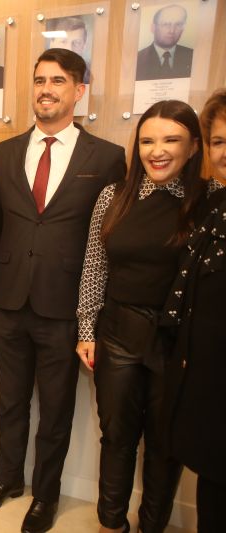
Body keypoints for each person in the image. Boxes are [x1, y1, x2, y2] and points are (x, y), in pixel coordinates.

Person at [0, 48, 126, 533]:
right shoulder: (4, 152)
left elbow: (109, 241)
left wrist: (94, 315)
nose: (46, 89)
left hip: (65, 308)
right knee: (10, 401)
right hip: (8, 300)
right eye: (40, 80)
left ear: (79, 91)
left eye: (58, 81)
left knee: (57, 409)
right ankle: (7, 480)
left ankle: (45, 495)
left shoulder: (107, 157)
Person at [76, 99, 209, 533]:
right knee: (116, 436)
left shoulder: (209, 200)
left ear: (193, 147)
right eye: (148, 141)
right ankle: (111, 524)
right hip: (118, 335)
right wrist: (86, 329)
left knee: (165, 445)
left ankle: (153, 526)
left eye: (171, 140)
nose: (158, 151)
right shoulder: (114, 196)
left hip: (178, 343)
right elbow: (95, 266)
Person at [161, 89, 226, 533]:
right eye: (219, 141)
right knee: (213, 495)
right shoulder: (214, 204)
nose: (225, 152)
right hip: (207, 384)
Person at [135, 4, 194, 81]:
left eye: (178, 25)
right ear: (153, 28)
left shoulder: (192, 56)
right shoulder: (138, 59)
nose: (172, 31)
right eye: (166, 24)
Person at [46, 17, 91, 84]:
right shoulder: (42, 69)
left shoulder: (91, 74)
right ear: (51, 44)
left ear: (84, 46)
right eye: (63, 42)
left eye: (77, 43)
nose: (69, 48)